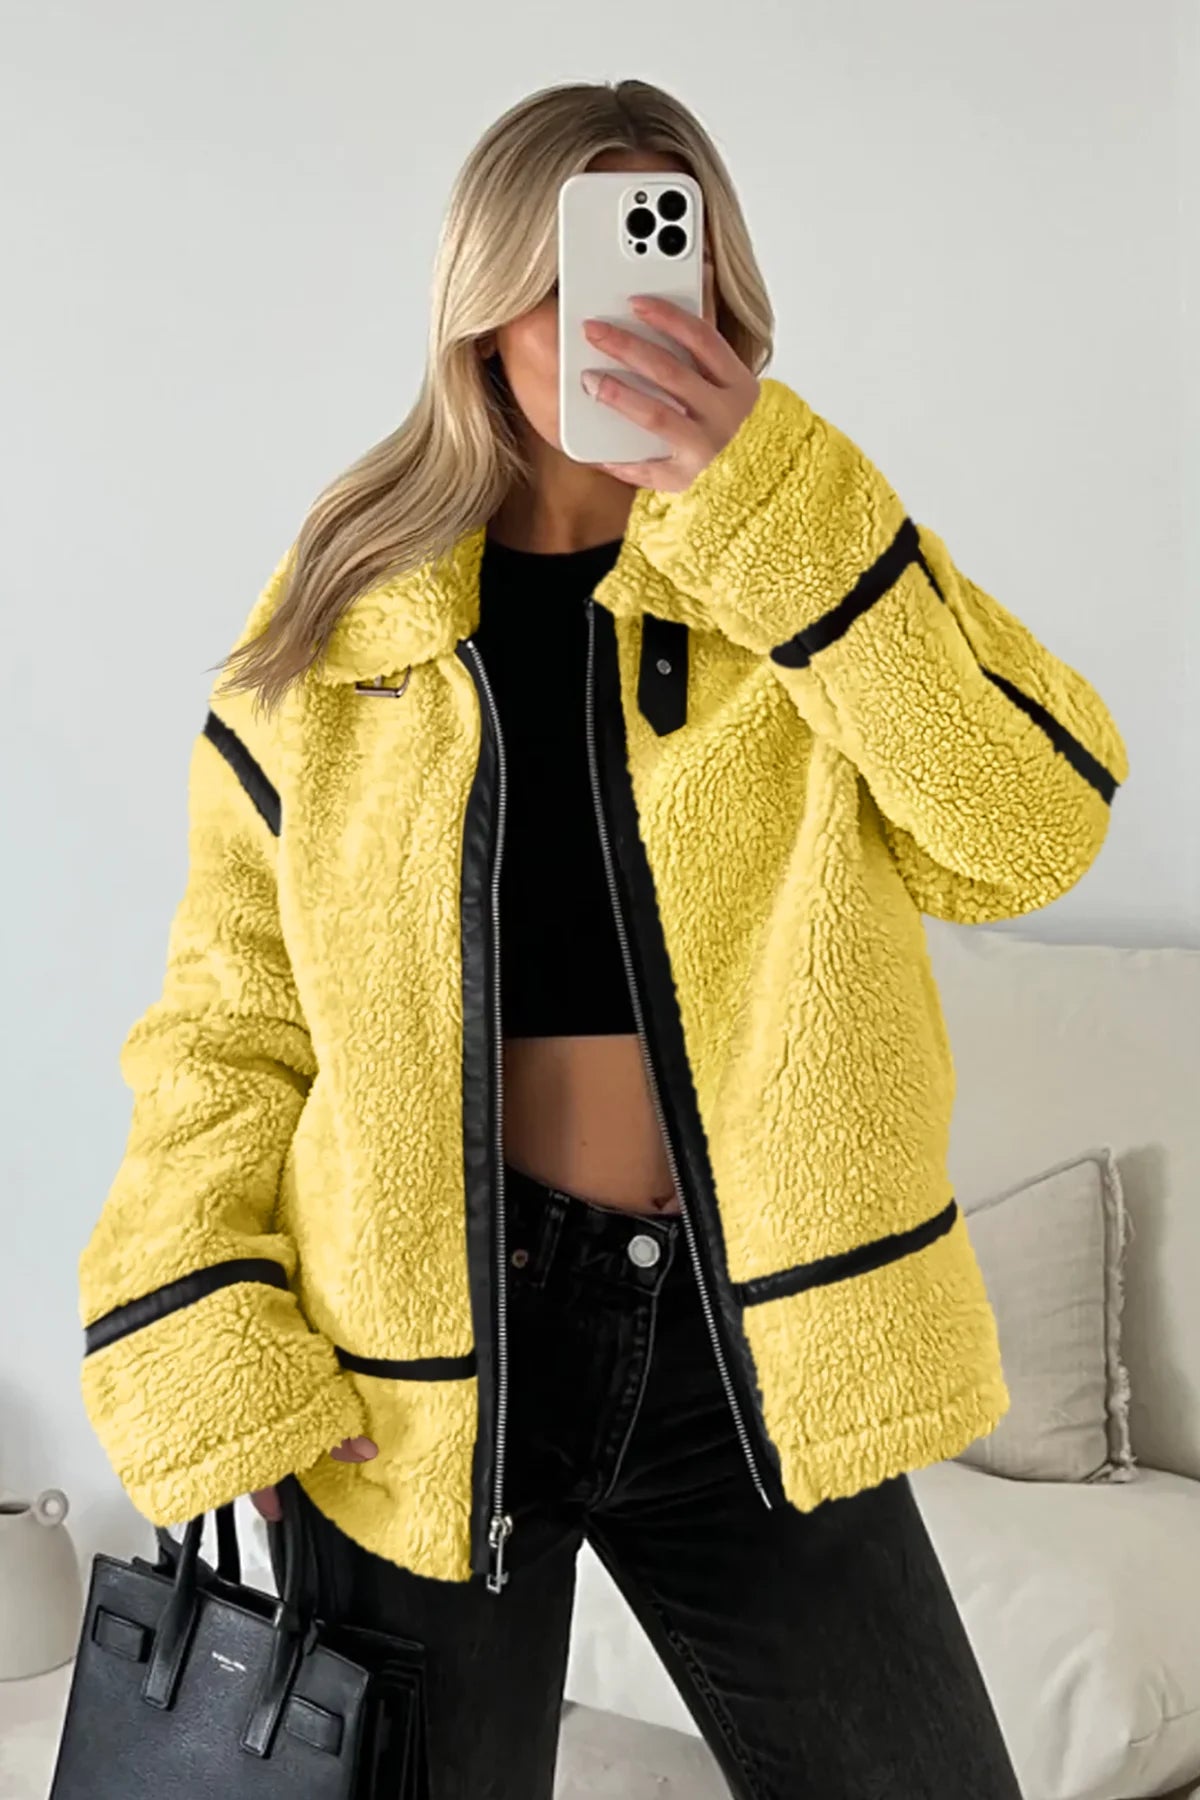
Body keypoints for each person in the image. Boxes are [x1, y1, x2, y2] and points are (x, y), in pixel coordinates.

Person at [78, 77, 1127, 1798]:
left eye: (665, 264)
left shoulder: (804, 569)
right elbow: (227, 1024)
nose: (624, 319)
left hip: (749, 1338)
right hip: (426, 1366)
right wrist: (211, 1338)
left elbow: (1028, 833)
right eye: (572, 275)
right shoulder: (348, 620)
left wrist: (769, 495)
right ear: (485, 310)